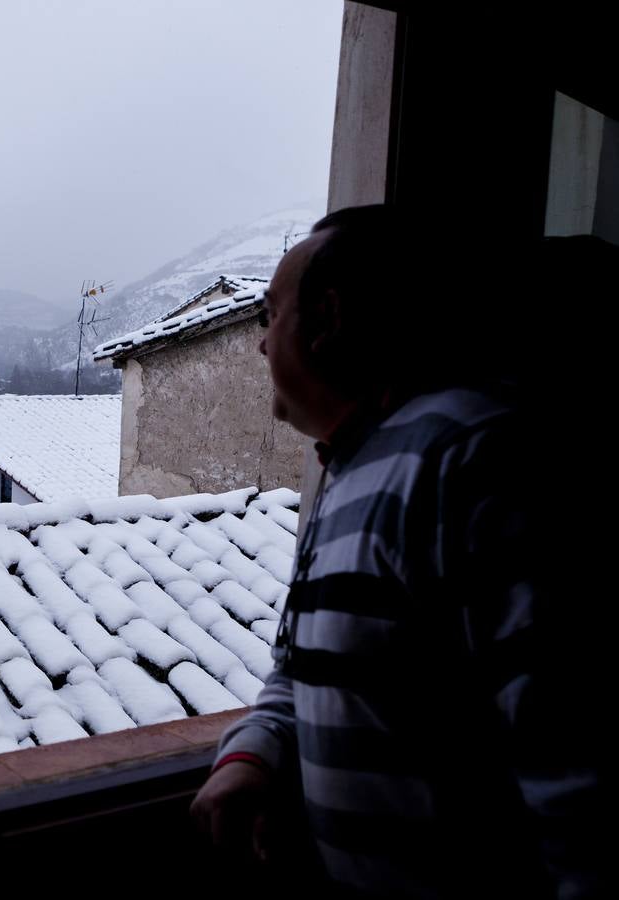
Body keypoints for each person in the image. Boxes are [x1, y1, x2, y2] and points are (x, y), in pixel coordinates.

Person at [189, 205, 603, 898]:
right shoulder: (348, 471)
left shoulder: (468, 461)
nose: (261, 347)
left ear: (328, 319)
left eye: (270, 317)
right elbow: (302, 670)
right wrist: (253, 758)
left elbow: (573, 760)